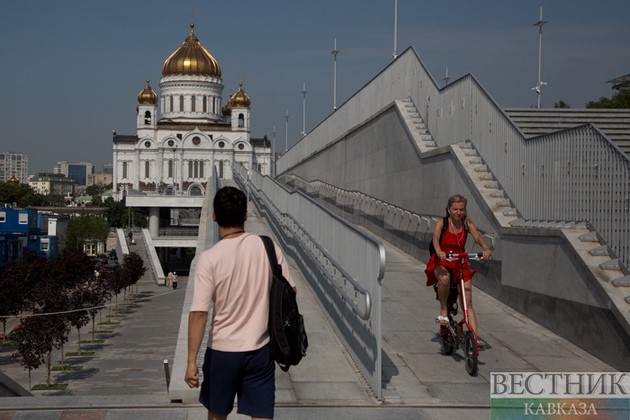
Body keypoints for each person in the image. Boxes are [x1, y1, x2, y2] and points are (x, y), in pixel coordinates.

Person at [185, 186, 295, 420]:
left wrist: (191, 361)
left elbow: (199, 314)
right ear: (245, 215)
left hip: (222, 352)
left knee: (217, 415)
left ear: (214, 216)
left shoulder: (208, 259)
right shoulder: (268, 247)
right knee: (262, 416)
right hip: (261, 350)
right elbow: (290, 291)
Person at [425, 194, 491, 349]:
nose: (458, 212)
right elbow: (435, 237)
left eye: (461, 209)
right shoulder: (443, 222)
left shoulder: (466, 223)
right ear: (449, 209)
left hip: (460, 264)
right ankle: (443, 310)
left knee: (468, 302)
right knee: (445, 279)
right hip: (442, 261)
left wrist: (485, 248)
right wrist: (439, 250)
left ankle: (473, 337)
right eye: (455, 209)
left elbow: (477, 237)